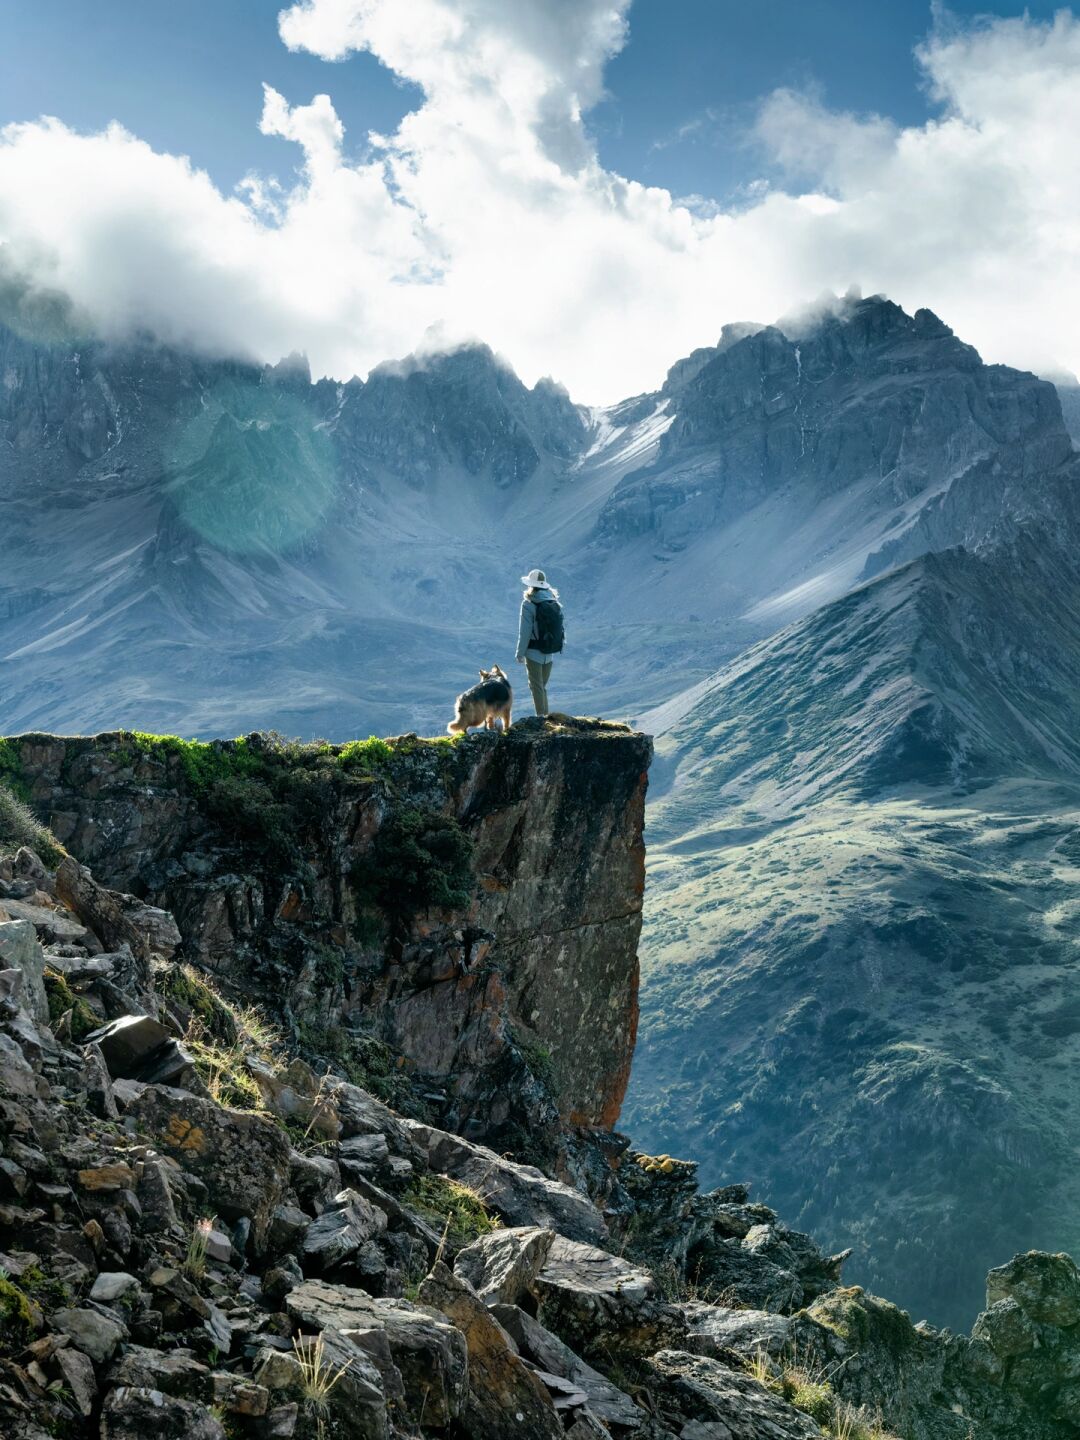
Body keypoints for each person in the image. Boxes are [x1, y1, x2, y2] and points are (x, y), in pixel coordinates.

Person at [516, 568, 564, 716]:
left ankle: (541, 719)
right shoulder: (553, 601)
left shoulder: (528, 604)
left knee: (536, 686)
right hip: (549, 652)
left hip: (533, 652)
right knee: (542, 686)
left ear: (530, 585)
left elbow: (524, 632)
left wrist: (520, 653)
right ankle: (545, 717)